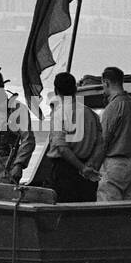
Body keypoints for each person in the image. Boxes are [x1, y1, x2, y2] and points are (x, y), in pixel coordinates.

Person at [37, 72, 102, 202]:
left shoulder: (59, 114)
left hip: (65, 172)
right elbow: (100, 144)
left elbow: (61, 148)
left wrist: (82, 168)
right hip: (87, 172)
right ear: (75, 89)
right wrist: (89, 165)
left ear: (56, 90)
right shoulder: (91, 114)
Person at [88, 66, 131, 202]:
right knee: (128, 211)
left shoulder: (113, 107)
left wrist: (92, 167)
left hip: (114, 166)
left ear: (106, 83)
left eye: (103, 85)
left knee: (108, 212)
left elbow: (103, 142)